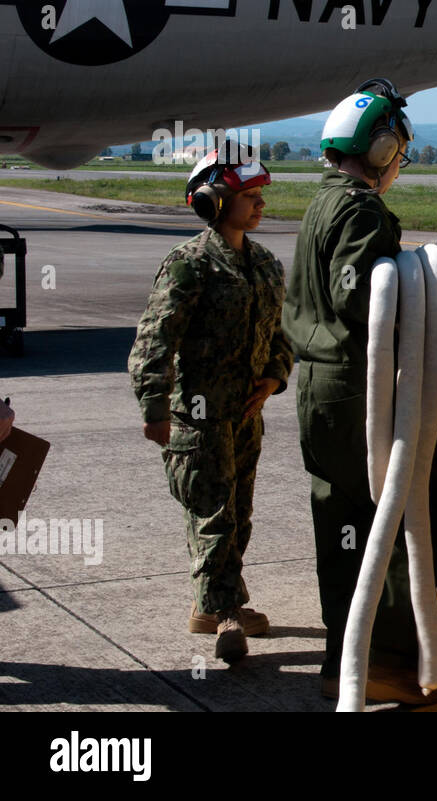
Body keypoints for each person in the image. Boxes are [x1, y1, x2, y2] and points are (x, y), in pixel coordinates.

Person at [281, 77, 437, 704]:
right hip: (360, 387)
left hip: (322, 389)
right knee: (412, 507)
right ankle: (389, 663)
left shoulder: (322, 201)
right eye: (397, 151)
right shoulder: (359, 209)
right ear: (381, 149)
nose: (398, 164)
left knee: (342, 521)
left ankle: (343, 659)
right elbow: (363, 296)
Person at [128, 144, 292, 663]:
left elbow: (280, 335)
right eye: (248, 195)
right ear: (212, 202)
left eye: (261, 193)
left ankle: (216, 601)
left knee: (239, 515)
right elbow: (155, 341)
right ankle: (222, 613)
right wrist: (155, 408)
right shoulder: (189, 264)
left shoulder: (265, 263)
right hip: (197, 418)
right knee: (212, 515)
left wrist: (273, 379)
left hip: (246, 417)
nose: (260, 203)